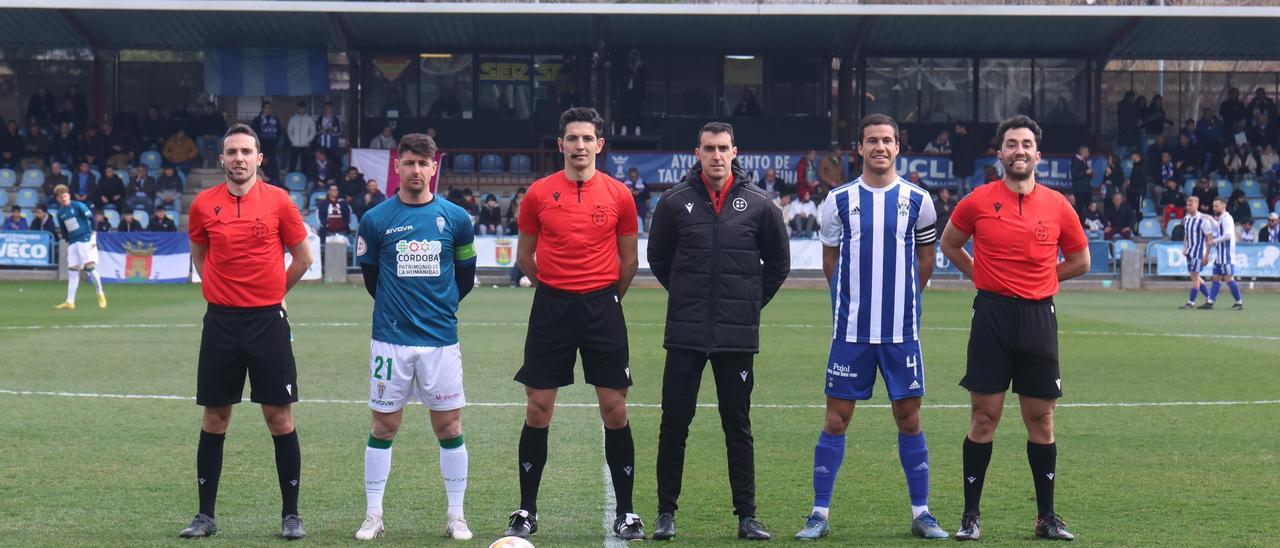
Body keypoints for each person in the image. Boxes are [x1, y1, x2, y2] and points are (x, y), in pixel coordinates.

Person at [795, 113, 946, 541]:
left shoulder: (919, 201)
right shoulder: (838, 200)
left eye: (887, 140)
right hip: (851, 333)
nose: (880, 147)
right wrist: (852, 303)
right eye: (871, 141)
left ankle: (922, 513)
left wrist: (905, 302)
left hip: (901, 334)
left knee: (910, 420)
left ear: (898, 147)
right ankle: (819, 513)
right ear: (858, 149)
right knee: (836, 420)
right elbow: (830, 261)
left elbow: (926, 261)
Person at [939, 115, 1089, 541]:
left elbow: (1081, 261)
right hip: (991, 317)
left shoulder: (1058, 205)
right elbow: (950, 243)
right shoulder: (977, 200)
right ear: (1000, 152)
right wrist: (978, 274)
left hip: (1038, 317)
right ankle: (971, 516)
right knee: (984, 417)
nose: (1018, 150)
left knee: (1041, 420)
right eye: (1010, 143)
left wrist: (1044, 279)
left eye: (1026, 144)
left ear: (1037, 154)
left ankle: (1046, 518)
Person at [646, 121, 789, 542]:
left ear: (735, 152)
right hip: (686, 335)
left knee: (737, 425)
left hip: (735, 337)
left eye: (723, 148)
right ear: (697, 153)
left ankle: (747, 516)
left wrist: (746, 304)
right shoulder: (674, 202)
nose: (716, 155)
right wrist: (692, 297)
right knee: (674, 423)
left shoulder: (761, 204)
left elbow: (778, 265)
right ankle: (666, 514)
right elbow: (658, 258)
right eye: (709, 148)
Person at [504, 107, 643, 541]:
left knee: (614, 410)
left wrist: (604, 298)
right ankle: (526, 510)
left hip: (602, 307)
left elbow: (630, 261)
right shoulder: (538, 194)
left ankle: (627, 512)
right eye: (572, 138)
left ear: (599, 145)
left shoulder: (619, 194)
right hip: (552, 308)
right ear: (560, 144)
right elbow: (525, 256)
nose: (579, 146)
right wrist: (556, 289)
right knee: (538, 408)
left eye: (587, 139)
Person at [178, 123, 312, 540]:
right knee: (215, 418)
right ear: (222, 159)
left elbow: (304, 258)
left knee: (280, 417)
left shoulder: (279, 201)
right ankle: (205, 516)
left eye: (246, 152)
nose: (238, 158)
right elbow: (200, 255)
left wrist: (272, 293)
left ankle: (291, 515)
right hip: (220, 323)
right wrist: (221, 290)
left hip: (267, 322)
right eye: (231, 152)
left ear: (259, 159)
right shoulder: (203, 204)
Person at [353, 133, 477, 541]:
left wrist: (437, 309)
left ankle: (456, 516)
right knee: (384, 425)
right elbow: (373, 279)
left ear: (434, 167)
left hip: (440, 340)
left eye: (424, 164)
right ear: (397, 167)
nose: (416, 171)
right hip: (390, 340)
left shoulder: (456, 218)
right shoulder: (375, 220)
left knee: (449, 425)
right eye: (409, 163)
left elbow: (465, 280)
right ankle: (374, 515)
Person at [51, 185, 108, 310]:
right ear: (58, 199)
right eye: (61, 197)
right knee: (72, 270)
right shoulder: (60, 213)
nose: (64, 198)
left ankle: (100, 293)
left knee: (89, 267)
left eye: (65, 196)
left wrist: (93, 236)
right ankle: (70, 302)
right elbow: (64, 229)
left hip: (85, 238)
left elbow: (92, 219)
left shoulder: (78, 205)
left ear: (69, 195)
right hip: (73, 242)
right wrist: (67, 241)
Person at [1200, 197, 1243, 310]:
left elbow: (1228, 235)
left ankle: (1239, 302)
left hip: (1226, 256)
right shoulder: (1221, 219)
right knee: (1215, 278)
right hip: (1220, 255)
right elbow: (1218, 227)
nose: (1214, 208)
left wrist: (1213, 241)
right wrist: (1209, 218)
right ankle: (1210, 301)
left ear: (1224, 206)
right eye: (1213, 206)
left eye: (1216, 206)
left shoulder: (1227, 218)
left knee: (1229, 279)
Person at [287, 102, 316, 172]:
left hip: (305, 145)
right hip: (295, 144)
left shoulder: (309, 119)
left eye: (303, 108)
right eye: (300, 108)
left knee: (305, 163)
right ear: (298, 108)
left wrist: (308, 140)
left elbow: (313, 131)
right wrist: (292, 140)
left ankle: (304, 178)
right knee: (293, 162)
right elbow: (289, 130)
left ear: (305, 108)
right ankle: (291, 177)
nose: (301, 110)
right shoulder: (293, 118)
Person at [625, 167, 651, 232]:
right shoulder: (625, 183)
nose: (633, 178)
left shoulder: (642, 183)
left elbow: (647, 195)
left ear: (637, 175)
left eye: (634, 176)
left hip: (640, 205)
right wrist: (630, 192)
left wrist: (639, 193)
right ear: (629, 175)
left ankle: (641, 229)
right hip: (629, 204)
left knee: (641, 211)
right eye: (632, 176)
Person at [1070, 145, 1092, 212]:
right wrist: (1086, 172)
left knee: (1088, 208)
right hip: (1080, 190)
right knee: (1080, 209)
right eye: (1088, 152)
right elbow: (1074, 175)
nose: (1089, 154)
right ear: (1083, 152)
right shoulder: (1076, 161)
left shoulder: (1084, 161)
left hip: (1086, 189)